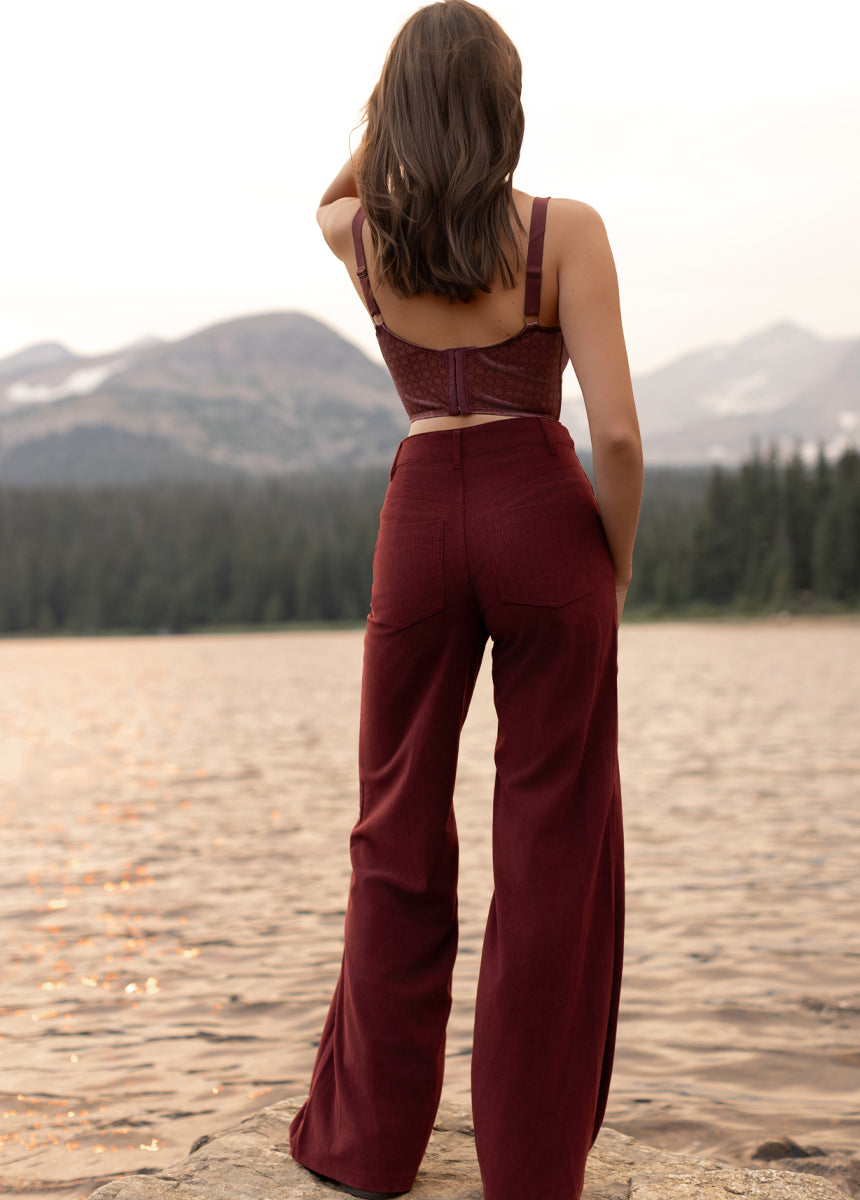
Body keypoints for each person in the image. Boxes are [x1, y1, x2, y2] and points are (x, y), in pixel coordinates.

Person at [289, 2, 643, 1197]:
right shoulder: (564, 232)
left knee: (393, 824)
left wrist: (392, 117)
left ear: (396, 112)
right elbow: (619, 439)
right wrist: (613, 561)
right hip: (542, 516)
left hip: (419, 525)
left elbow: (330, 193)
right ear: (507, 108)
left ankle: (369, 1147)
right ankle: (529, 1167)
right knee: (550, 836)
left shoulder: (360, 237)